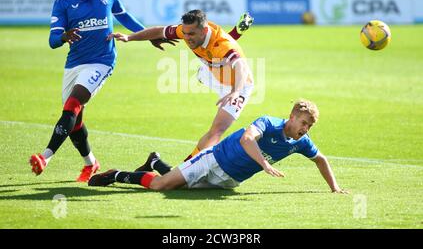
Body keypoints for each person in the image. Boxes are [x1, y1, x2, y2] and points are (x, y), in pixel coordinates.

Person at [28, 0, 175, 182]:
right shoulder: (63, 3)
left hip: (102, 60)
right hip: (75, 63)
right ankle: (91, 163)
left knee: (72, 104)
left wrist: (149, 36)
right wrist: (63, 37)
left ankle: (45, 157)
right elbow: (52, 40)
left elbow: (124, 15)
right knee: (74, 120)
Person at [89, 99, 348, 194]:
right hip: (214, 159)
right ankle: (116, 175)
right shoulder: (269, 122)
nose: (306, 129)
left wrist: (334, 188)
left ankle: (155, 161)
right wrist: (265, 164)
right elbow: (247, 139)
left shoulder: (300, 142)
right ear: (292, 117)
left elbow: (321, 159)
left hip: (228, 181)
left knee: (178, 187)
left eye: (309, 126)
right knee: (161, 186)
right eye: (304, 123)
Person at [108, 10, 255, 161]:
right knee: (212, 60)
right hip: (212, 72)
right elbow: (159, 31)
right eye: (184, 33)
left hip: (238, 84)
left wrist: (236, 92)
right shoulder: (188, 31)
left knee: (217, 130)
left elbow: (241, 67)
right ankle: (234, 34)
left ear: (204, 30)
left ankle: (188, 165)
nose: (186, 37)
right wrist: (129, 37)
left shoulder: (223, 44)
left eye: (190, 34)